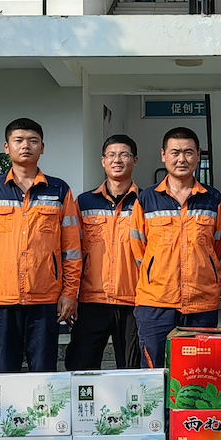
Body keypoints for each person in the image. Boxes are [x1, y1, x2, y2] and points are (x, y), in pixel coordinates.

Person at [0, 118, 80, 372]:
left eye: (32, 141)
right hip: (1, 299)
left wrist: (70, 293)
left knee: (44, 374)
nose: (25, 146)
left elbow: (71, 250)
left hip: (45, 298)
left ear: (42, 147)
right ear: (6, 147)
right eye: (18, 140)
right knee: (3, 372)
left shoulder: (59, 191)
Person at [130, 127, 221, 368]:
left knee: (199, 371)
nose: (181, 159)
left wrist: (203, 269)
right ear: (163, 155)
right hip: (156, 303)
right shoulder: (146, 199)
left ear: (198, 155)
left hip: (201, 303)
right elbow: (138, 249)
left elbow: (220, 247)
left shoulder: (214, 200)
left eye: (188, 152)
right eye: (175, 152)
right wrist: (157, 272)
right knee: (155, 371)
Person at [67, 134, 143, 371]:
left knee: (132, 371)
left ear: (135, 160)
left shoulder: (146, 201)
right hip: (91, 301)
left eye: (124, 155)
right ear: (103, 161)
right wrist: (70, 294)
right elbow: (72, 250)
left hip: (133, 300)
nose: (117, 160)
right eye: (111, 155)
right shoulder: (84, 202)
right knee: (81, 369)